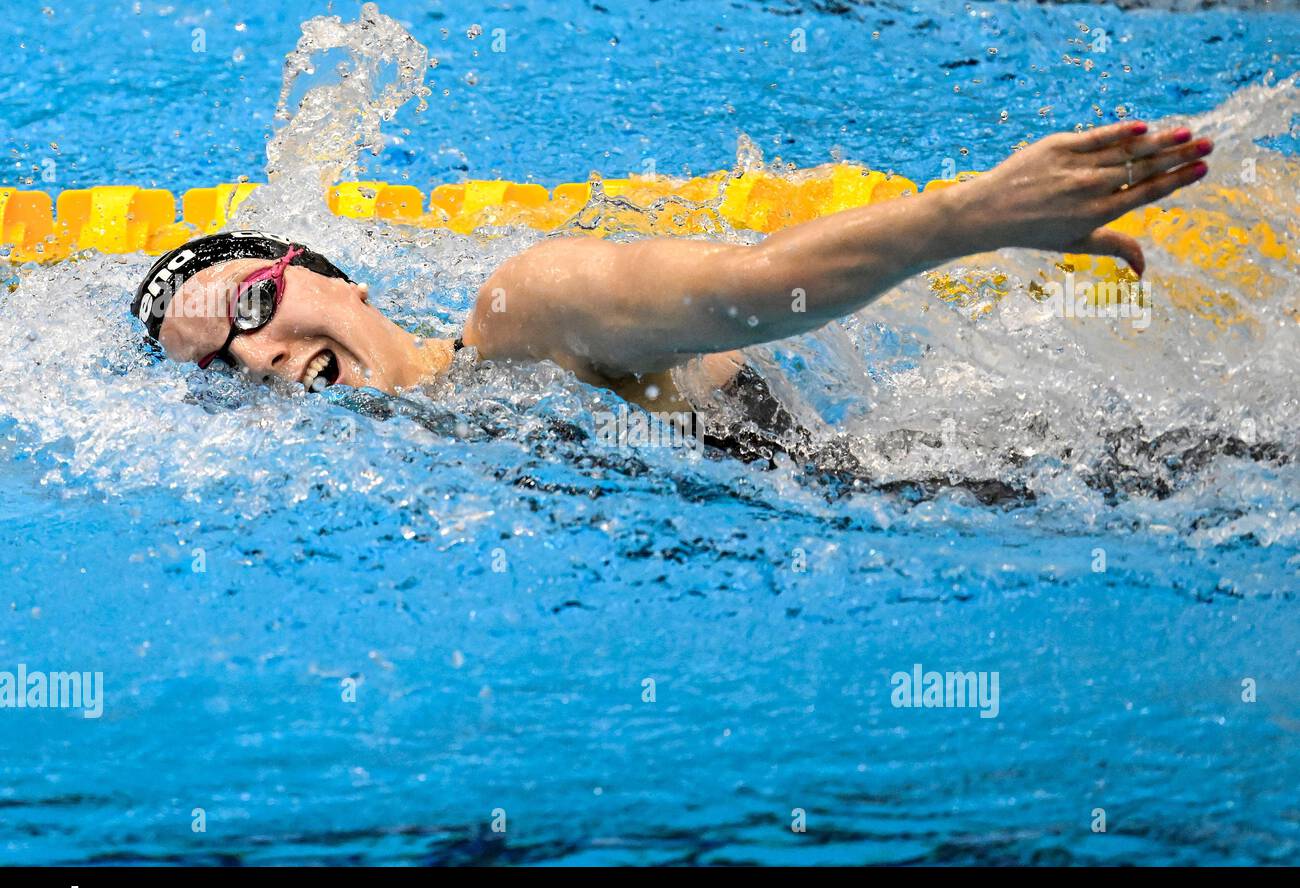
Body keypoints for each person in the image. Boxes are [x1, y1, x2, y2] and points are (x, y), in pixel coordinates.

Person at [131, 121, 1212, 465]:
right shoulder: (454, 440)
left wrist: (968, 218)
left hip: (1067, 484)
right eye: (219, 366)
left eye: (248, 309)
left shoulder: (523, 311)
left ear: (328, 275)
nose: (256, 357)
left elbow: (755, 283)